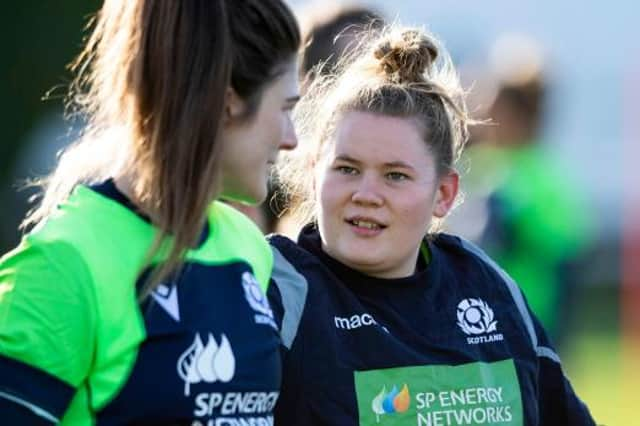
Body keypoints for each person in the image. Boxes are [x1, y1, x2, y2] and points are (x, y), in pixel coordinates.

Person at [267, 25, 596, 425]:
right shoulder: (276, 290)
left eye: (396, 175)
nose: (366, 193)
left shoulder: (486, 286)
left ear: (444, 193)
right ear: (314, 173)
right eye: (347, 168)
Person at [0, 1, 300, 424]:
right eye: (285, 108)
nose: (292, 138)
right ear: (228, 102)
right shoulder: (62, 265)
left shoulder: (248, 246)